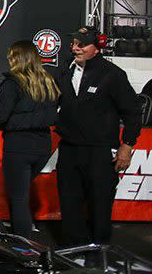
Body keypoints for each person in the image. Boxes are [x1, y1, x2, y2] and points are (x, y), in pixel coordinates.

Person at [55, 27, 141, 246]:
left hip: (100, 150)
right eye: (73, 43)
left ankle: (100, 252)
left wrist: (127, 145)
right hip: (69, 148)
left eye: (81, 44)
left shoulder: (112, 74)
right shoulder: (65, 70)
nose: (75, 48)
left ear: (97, 48)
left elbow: (132, 112)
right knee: (69, 202)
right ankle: (73, 251)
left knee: (100, 204)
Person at [0, 41, 59, 238]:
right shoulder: (48, 81)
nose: (8, 59)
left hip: (19, 147)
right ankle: (21, 236)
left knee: (18, 197)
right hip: (42, 147)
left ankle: (22, 246)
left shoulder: (12, 82)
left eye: (11, 56)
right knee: (21, 194)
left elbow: (2, 115)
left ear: (16, 58)